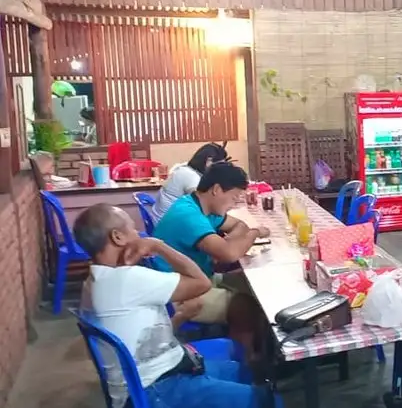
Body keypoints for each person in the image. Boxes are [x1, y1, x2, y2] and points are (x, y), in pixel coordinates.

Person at [74, 204, 277, 408]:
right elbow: (202, 283)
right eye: (133, 228)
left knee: (246, 371)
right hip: (159, 388)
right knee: (267, 398)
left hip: (151, 377)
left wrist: (180, 317)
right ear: (118, 237)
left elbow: (139, 339)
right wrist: (158, 246)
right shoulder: (127, 279)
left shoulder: (93, 282)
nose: (139, 233)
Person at [151, 162, 269, 353]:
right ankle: (249, 362)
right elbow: (230, 254)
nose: (233, 204)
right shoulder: (188, 214)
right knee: (248, 306)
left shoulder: (203, 208)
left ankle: (263, 348)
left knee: (253, 282)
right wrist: (253, 234)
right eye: (233, 198)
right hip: (179, 294)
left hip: (199, 279)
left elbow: (239, 226)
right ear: (216, 190)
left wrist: (229, 243)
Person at [153, 143, 230, 222]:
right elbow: (205, 206)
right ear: (208, 161)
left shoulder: (185, 168)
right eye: (219, 165)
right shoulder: (191, 177)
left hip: (162, 218)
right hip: (168, 224)